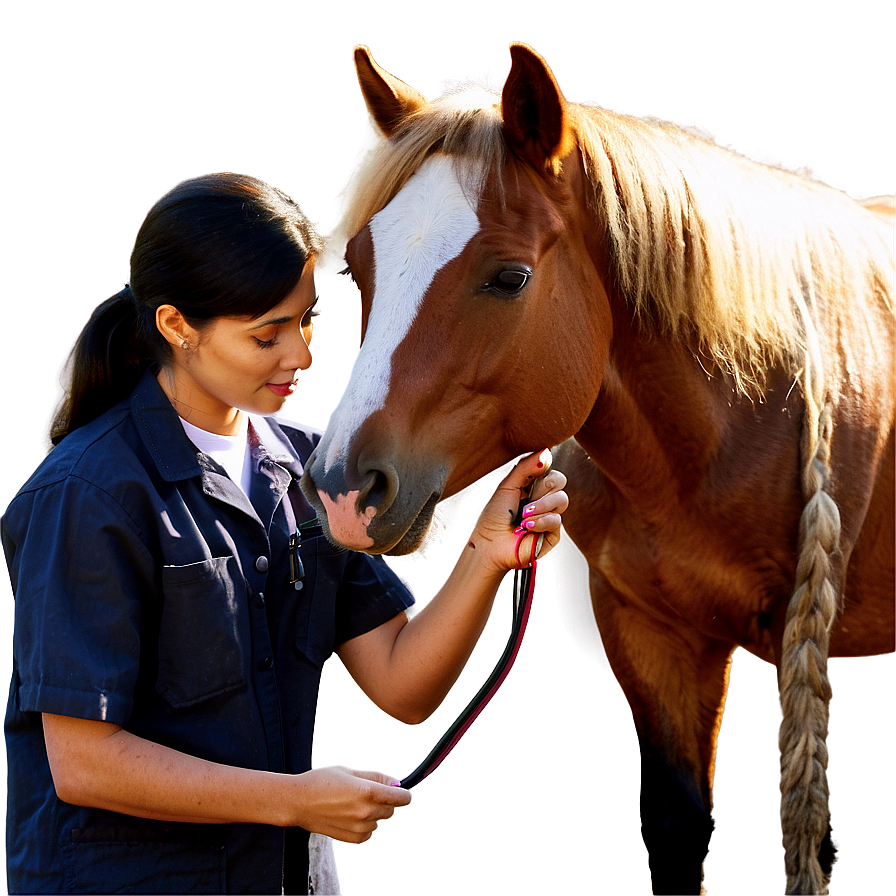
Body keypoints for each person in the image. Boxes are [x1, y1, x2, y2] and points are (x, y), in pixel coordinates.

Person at [1, 173, 568, 895]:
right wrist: (296, 800)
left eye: (306, 320)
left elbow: (402, 684)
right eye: (265, 334)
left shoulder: (304, 472)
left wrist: (487, 555)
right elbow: (84, 762)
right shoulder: (86, 494)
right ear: (177, 327)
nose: (300, 355)